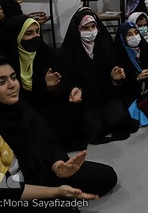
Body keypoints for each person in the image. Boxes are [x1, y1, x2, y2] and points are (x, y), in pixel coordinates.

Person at [0, 55, 118, 213]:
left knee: (105, 176)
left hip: (35, 173)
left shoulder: (19, 107)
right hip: (5, 197)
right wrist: (55, 192)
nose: (12, 85)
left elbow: (44, 142)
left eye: (13, 77)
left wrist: (58, 166)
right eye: (1, 82)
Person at [0, 15, 83, 151]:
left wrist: (57, 88)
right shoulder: (4, 61)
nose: (36, 36)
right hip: (16, 108)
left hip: (43, 104)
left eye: (37, 32)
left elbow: (65, 81)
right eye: (29, 33)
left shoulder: (45, 53)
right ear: (16, 36)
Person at [58, 8, 136, 144]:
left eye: (93, 26)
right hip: (85, 99)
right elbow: (66, 78)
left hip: (107, 95)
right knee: (93, 128)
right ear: (77, 30)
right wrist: (73, 89)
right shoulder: (69, 51)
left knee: (118, 120)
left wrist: (114, 77)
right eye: (85, 28)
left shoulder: (105, 44)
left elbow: (113, 69)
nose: (90, 31)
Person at [113, 21, 148, 127]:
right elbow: (120, 87)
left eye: (136, 33)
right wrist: (137, 79)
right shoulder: (119, 54)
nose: (134, 36)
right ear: (123, 38)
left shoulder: (146, 49)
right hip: (129, 93)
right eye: (129, 34)